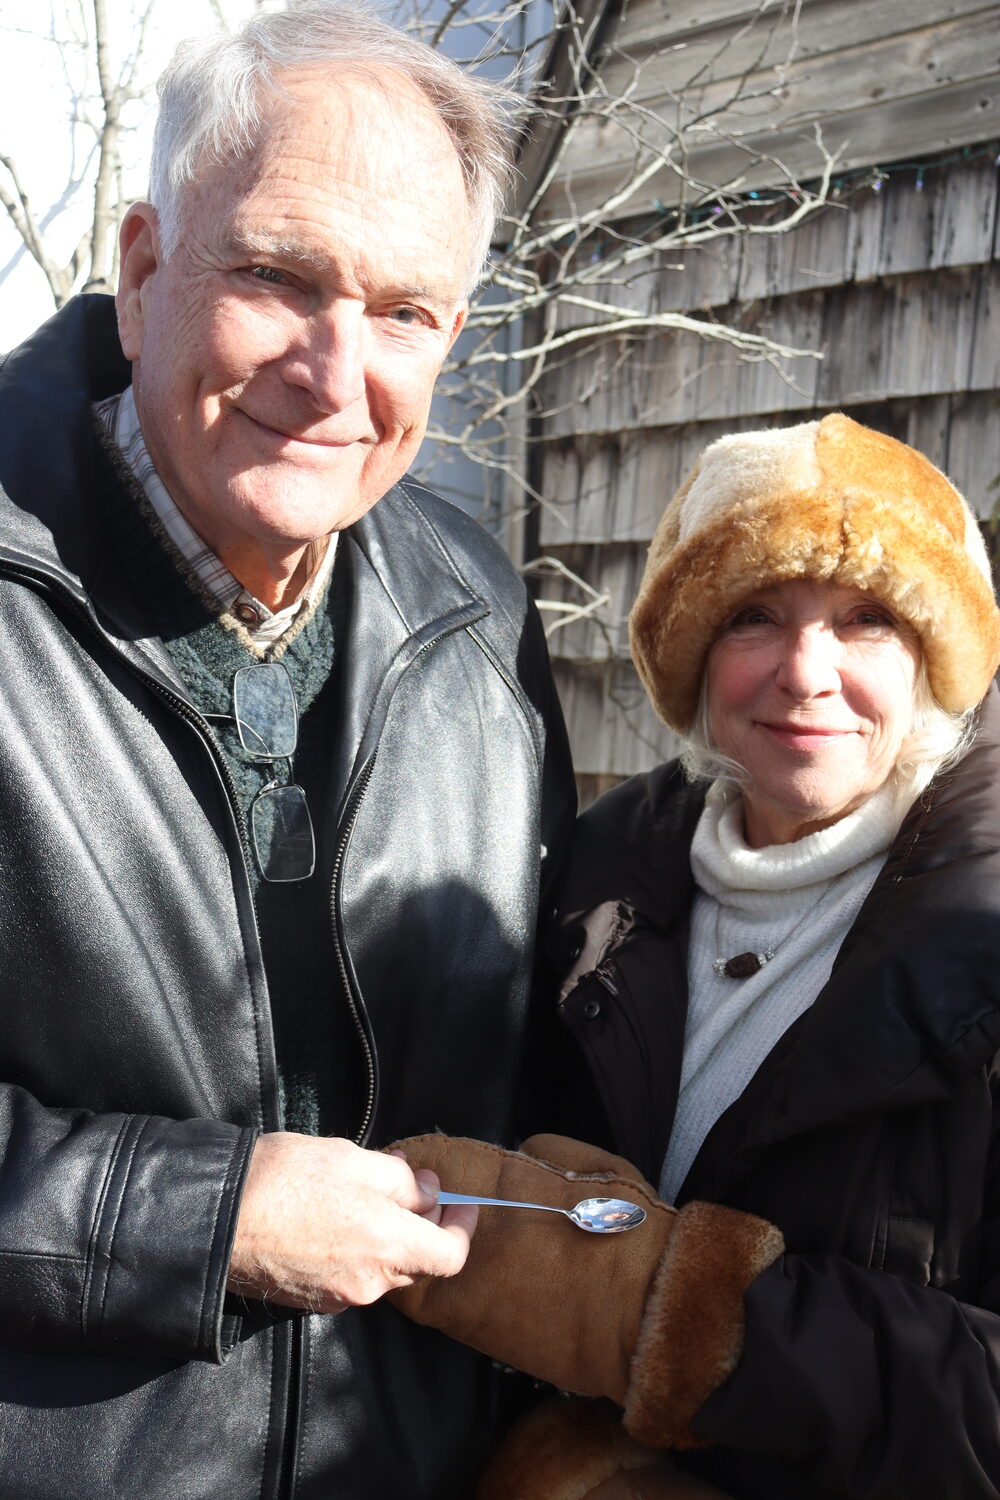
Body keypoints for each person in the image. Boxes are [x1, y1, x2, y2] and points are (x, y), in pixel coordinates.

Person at [0, 4, 574, 1497]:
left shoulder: (479, 623)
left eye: (405, 312)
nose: (337, 371)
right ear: (139, 273)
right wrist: (204, 1215)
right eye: (274, 276)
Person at [392, 413, 1000, 1500]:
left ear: (931, 655)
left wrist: (673, 1316)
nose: (806, 673)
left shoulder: (982, 931)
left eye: (866, 619)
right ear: (690, 653)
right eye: (755, 616)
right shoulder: (600, 873)